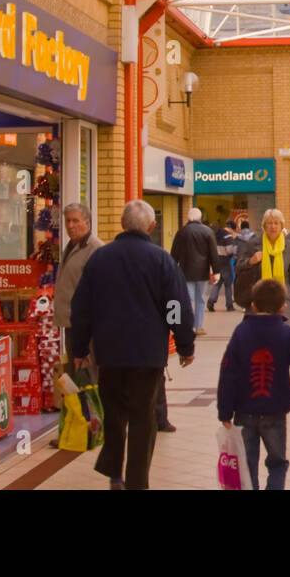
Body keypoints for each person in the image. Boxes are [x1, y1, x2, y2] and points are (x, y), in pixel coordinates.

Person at [70, 200, 195, 490]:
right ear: (151, 226)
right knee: (143, 417)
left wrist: (79, 349)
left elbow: (82, 308)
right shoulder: (161, 260)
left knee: (114, 413)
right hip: (147, 355)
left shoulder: (100, 259)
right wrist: (185, 344)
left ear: (123, 224)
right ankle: (137, 481)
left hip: (109, 353)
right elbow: (175, 305)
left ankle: (114, 472)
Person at [218, 279, 290, 489]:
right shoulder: (287, 334)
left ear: (253, 305)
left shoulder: (241, 333)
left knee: (247, 465)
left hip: (245, 411)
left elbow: (228, 374)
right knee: (277, 463)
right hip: (275, 411)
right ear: (282, 306)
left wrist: (224, 411)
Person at [234, 209, 290, 335]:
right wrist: (251, 261)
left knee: (287, 339)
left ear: (282, 226)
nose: (273, 226)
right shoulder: (253, 244)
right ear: (264, 226)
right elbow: (238, 267)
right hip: (259, 301)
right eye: (269, 223)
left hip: (283, 300)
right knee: (258, 340)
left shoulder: (289, 246)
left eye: (276, 223)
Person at [54, 203, 104, 370]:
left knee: (87, 375)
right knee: (74, 375)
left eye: (75, 221)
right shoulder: (70, 247)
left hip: (86, 326)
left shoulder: (95, 249)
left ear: (87, 223)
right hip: (70, 323)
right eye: (68, 221)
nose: (70, 225)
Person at [171, 207, 218, 334]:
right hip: (202, 271)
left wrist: (172, 269)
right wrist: (216, 271)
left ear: (188, 218)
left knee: (188, 299)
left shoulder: (181, 232)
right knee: (201, 299)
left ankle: (188, 326)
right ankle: (199, 326)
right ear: (200, 218)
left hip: (185, 271)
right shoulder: (208, 232)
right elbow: (213, 253)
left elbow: (174, 253)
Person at [207, 220, 237, 313]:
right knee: (228, 284)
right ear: (231, 228)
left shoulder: (215, 234)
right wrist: (233, 254)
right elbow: (229, 250)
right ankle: (229, 305)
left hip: (216, 261)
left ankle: (211, 301)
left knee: (218, 281)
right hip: (225, 261)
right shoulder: (227, 236)